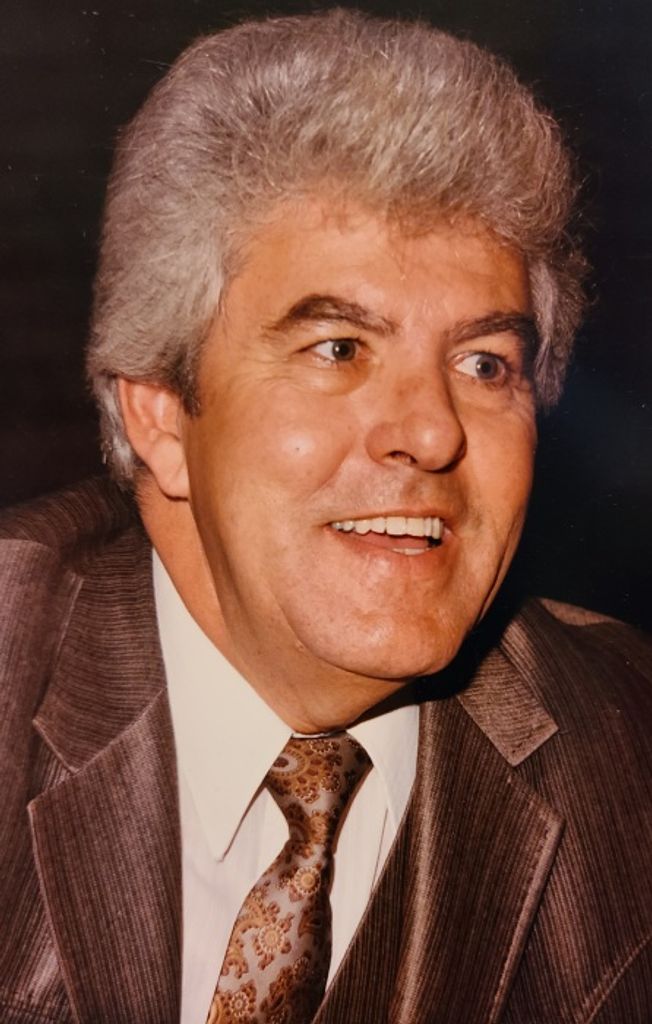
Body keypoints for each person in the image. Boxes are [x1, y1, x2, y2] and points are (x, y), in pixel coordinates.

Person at [0, 9, 650, 1023]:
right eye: (339, 348)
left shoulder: (630, 755)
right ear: (160, 411)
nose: (431, 432)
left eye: (485, 364)